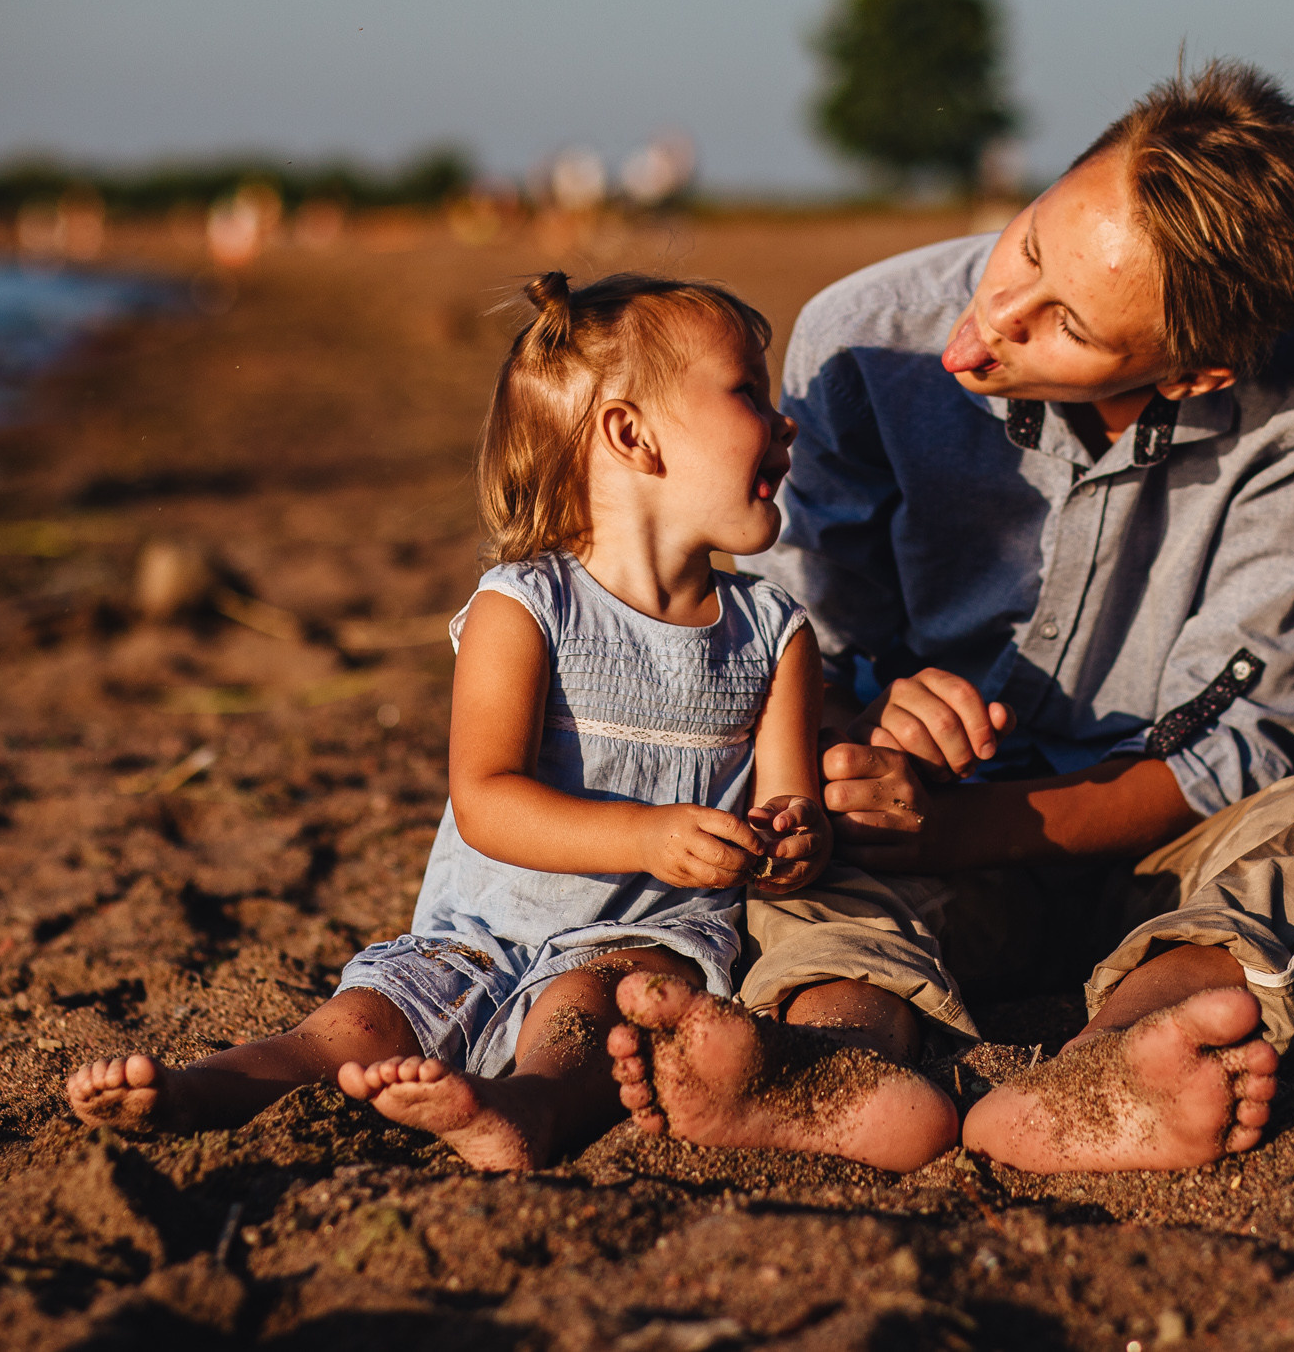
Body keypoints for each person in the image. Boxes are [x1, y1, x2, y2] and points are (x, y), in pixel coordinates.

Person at [607, 60, 1294, 1174]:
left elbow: (1246, 740)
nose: (980, 333)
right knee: (802, 858)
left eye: (1064, 322)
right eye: (1027, 246)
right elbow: (779, 647)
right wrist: (864, 723)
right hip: (909, 833)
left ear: (1196, 372)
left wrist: (962, 827)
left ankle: (1125, 1057)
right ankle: (829, 1055)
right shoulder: (861, 345)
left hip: (1156, 838)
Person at [65, 272, 898, 1170]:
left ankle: (524, 1110)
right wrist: (650, 833)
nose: (784, 423)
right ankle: (207, 1087)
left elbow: (790, 806)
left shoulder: (774, 634)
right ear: (631, 433)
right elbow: (486, 799)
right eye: (749, 391)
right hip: (478, 932)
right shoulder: (526, 605)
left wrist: (787, 840)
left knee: (586, 1013)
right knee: (358, 1020)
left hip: (643, 939)